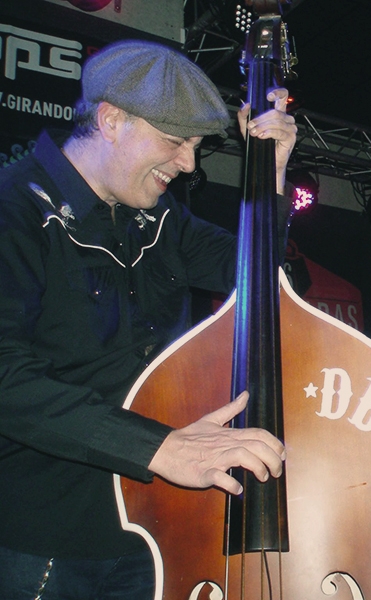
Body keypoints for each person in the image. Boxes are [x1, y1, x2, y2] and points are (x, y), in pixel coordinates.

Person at [0, 40, 297, 599]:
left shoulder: (162, 220)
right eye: (175, 140)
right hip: (48, 541)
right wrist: (161, 448)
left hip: (159, 533)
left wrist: (272, 173)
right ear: (111, 120)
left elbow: (268, 281)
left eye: (196, 145)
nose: (188, 164)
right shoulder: (12, 210)